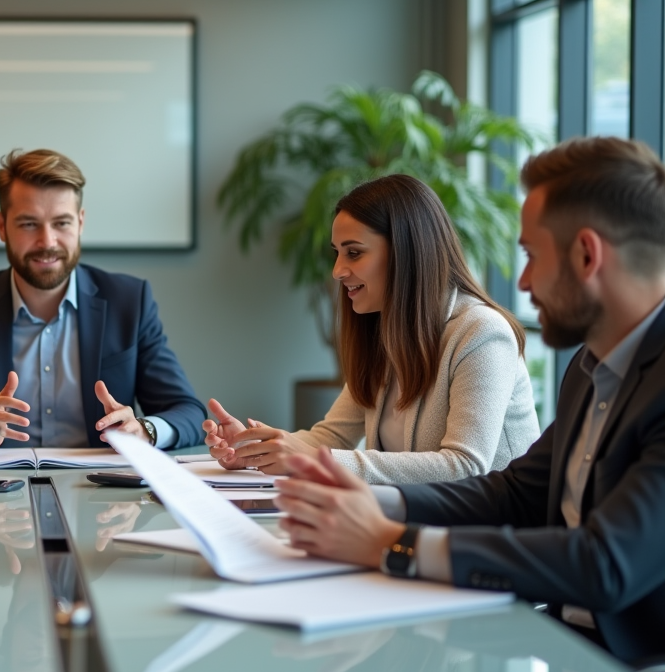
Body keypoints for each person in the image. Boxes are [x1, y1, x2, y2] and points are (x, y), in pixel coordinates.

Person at [273, 137, 665, 664]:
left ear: (587, 254)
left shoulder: (493, 336)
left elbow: (604, 563)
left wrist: (395, 542)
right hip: (558, 638)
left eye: (530, 256)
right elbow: (516, 494)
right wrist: (374, 504)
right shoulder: (590, 369)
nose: (522, 283)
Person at [205, 174, 540, 483]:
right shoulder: (387, 329)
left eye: (354, 253)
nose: (337, 271)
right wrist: (253, 450)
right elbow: (329, 439)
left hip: (495, 533)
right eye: (337, 253)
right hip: (420, 521)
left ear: (407, 253)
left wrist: (313, 459)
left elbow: (463, 466)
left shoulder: (482, 334)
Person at [0, 148, 205, 449]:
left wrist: (144, 430)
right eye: (28, 224)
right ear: (1, 226)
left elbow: (187, 411)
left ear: (80, 223)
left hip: (103, 495)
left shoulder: (129, 302)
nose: (47, 241)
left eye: (61, 223)